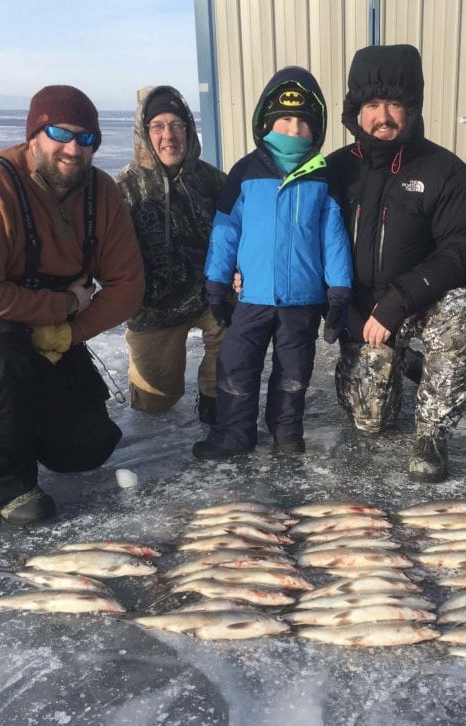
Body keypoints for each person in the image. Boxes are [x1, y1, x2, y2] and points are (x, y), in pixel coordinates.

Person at [0, 85, 145, 525]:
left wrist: (68, 334)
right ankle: (2, 487)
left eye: (87, 139)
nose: (73, 148)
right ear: (34, 135)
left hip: (50, 319)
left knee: (87, 447)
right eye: (61, 133)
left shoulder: (102, 193)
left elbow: (127, 286)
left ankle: (16, 423)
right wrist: (62, 307)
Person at [326, 44, 466, 483]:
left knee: (461, 313)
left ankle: (432, 433)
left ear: (412, 108)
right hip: (362, 312)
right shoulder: (333, 170)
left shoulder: (444, 169)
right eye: (372, 104)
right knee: (371, 420)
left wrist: (402, 297)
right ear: (356, 110)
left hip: (420, 302)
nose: (384, 116)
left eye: (395, 104)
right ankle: (409, 366)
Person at [192, 66, 352, 459]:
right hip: (253, 296)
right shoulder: (244, 172)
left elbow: (333, 237)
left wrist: (339, 289)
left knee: (294, 371)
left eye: (302, 122)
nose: (293, 130)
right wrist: (215, 282)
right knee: (235, 365)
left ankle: (286, 430)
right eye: (284, 120)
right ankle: (233, 434)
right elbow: (226, 230)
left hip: (301, 300)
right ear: (266, 121)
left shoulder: (322, 176)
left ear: (316, 129)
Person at [115, 86, 227, 422]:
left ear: (190, 130)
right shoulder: (122, 191)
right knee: (153, 406)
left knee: (236, 339)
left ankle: (213, 395)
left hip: (212, 299)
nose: (169, 136)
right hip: (154, 311)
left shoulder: (215, 182)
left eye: (177, 125)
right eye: (158, 126)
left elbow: (241, 236)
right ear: (144, 133)